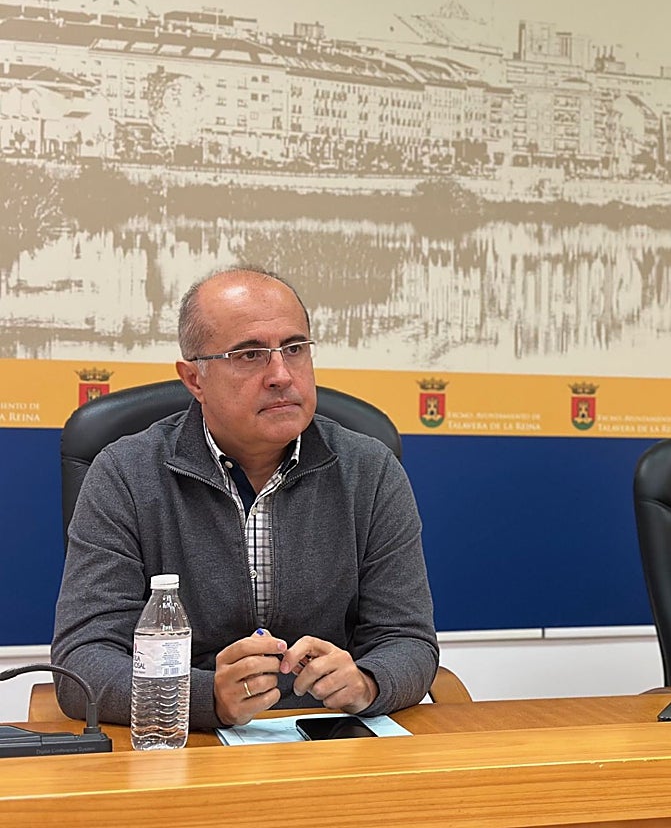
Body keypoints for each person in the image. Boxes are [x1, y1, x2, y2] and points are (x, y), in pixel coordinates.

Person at [52, 267, 438, 729]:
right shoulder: (124, 474)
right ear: (194, 378)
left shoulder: (370, 471)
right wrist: (205, 697)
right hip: (187, 743)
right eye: (250, 354)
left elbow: (409, 640)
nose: (281, 374)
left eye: (294, 349)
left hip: (329, 740)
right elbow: (83, 661)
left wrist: (369, 682)